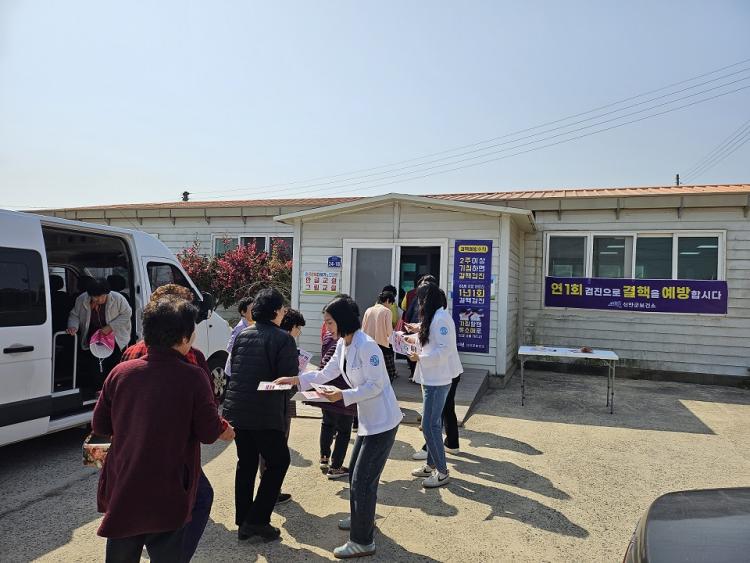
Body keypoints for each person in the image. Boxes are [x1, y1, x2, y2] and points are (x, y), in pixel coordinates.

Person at [92, 296, 234, 563]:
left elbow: (100, 425)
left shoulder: (120, 373)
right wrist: (225, 430)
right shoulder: (193, 376)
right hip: (170, 488)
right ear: (185, 337)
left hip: (126, 483)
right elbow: (207, 432)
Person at [275, 295, 402, 559]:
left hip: (383, 421)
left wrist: (342, 395)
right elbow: (325, 373)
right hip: (368, 420)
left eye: (330, 322)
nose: (327, 327)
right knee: (356, 473)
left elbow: (376, 385)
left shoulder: (367, 346)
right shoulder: (344, 344)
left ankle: (363, 541)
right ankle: (361, 519)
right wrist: (295, 380)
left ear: (343, 320)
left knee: (362, 479)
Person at [223, 288, 298, 543]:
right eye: (283, 309)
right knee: (279, 462)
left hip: (238, 411)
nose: (284, 313)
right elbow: (288, 380)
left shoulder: (243, 334)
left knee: (246, 464)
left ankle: (244, 520)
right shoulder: (283, 339)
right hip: (264, 413)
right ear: (276, 311)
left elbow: (234, 371)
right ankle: (257, 519)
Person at [408, 283, 462, 488]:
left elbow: (444, 349)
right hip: (431, 378)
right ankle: (431, 465)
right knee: (432, 424)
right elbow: (428, 338)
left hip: (438, 380)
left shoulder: (441, 319)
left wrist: (420, 358)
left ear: (427, 300)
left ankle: (442, 471)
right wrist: (409, 337)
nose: (419, 304)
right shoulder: (434, 317)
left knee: (430, 425)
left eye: (420, 299)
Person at [256, 307, 307, 503]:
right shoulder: (285, 343)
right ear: (291, 327)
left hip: (266, 401)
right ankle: (271, 491)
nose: (299, 333)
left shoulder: (265, 338)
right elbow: (286, 378)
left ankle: (269, 487)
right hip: (280, 401)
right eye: (298, 328)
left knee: (267, 447)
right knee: (277, 446)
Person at [67, 279, 132, 393]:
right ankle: (100, 390)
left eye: (102, 296)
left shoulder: (118, 298)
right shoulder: (82, 299)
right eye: (95, 298)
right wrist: (73, 326)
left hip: (115, 336)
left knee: (114, 363)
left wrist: (110, 326)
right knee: (96, 364)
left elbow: (127, 314)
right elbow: (74, 315)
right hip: (94, 336)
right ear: (89, 295)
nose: (99, 300)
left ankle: (115, 390)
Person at [361, 291, 397, 382]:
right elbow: (389, 332)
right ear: (388, 300)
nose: (391, 306)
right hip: (383, 346)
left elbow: (363, 328)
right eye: (391, 303)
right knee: (389, 372)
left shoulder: (368, 310)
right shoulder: (387, 311)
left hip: (368, 345)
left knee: (371, 370)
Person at [225, 296, 254, 380]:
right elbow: (229, 347)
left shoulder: (254, 324)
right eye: (252, 310)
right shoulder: (240, 328)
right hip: (234, 372)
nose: (254, 311)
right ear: (243, 312)